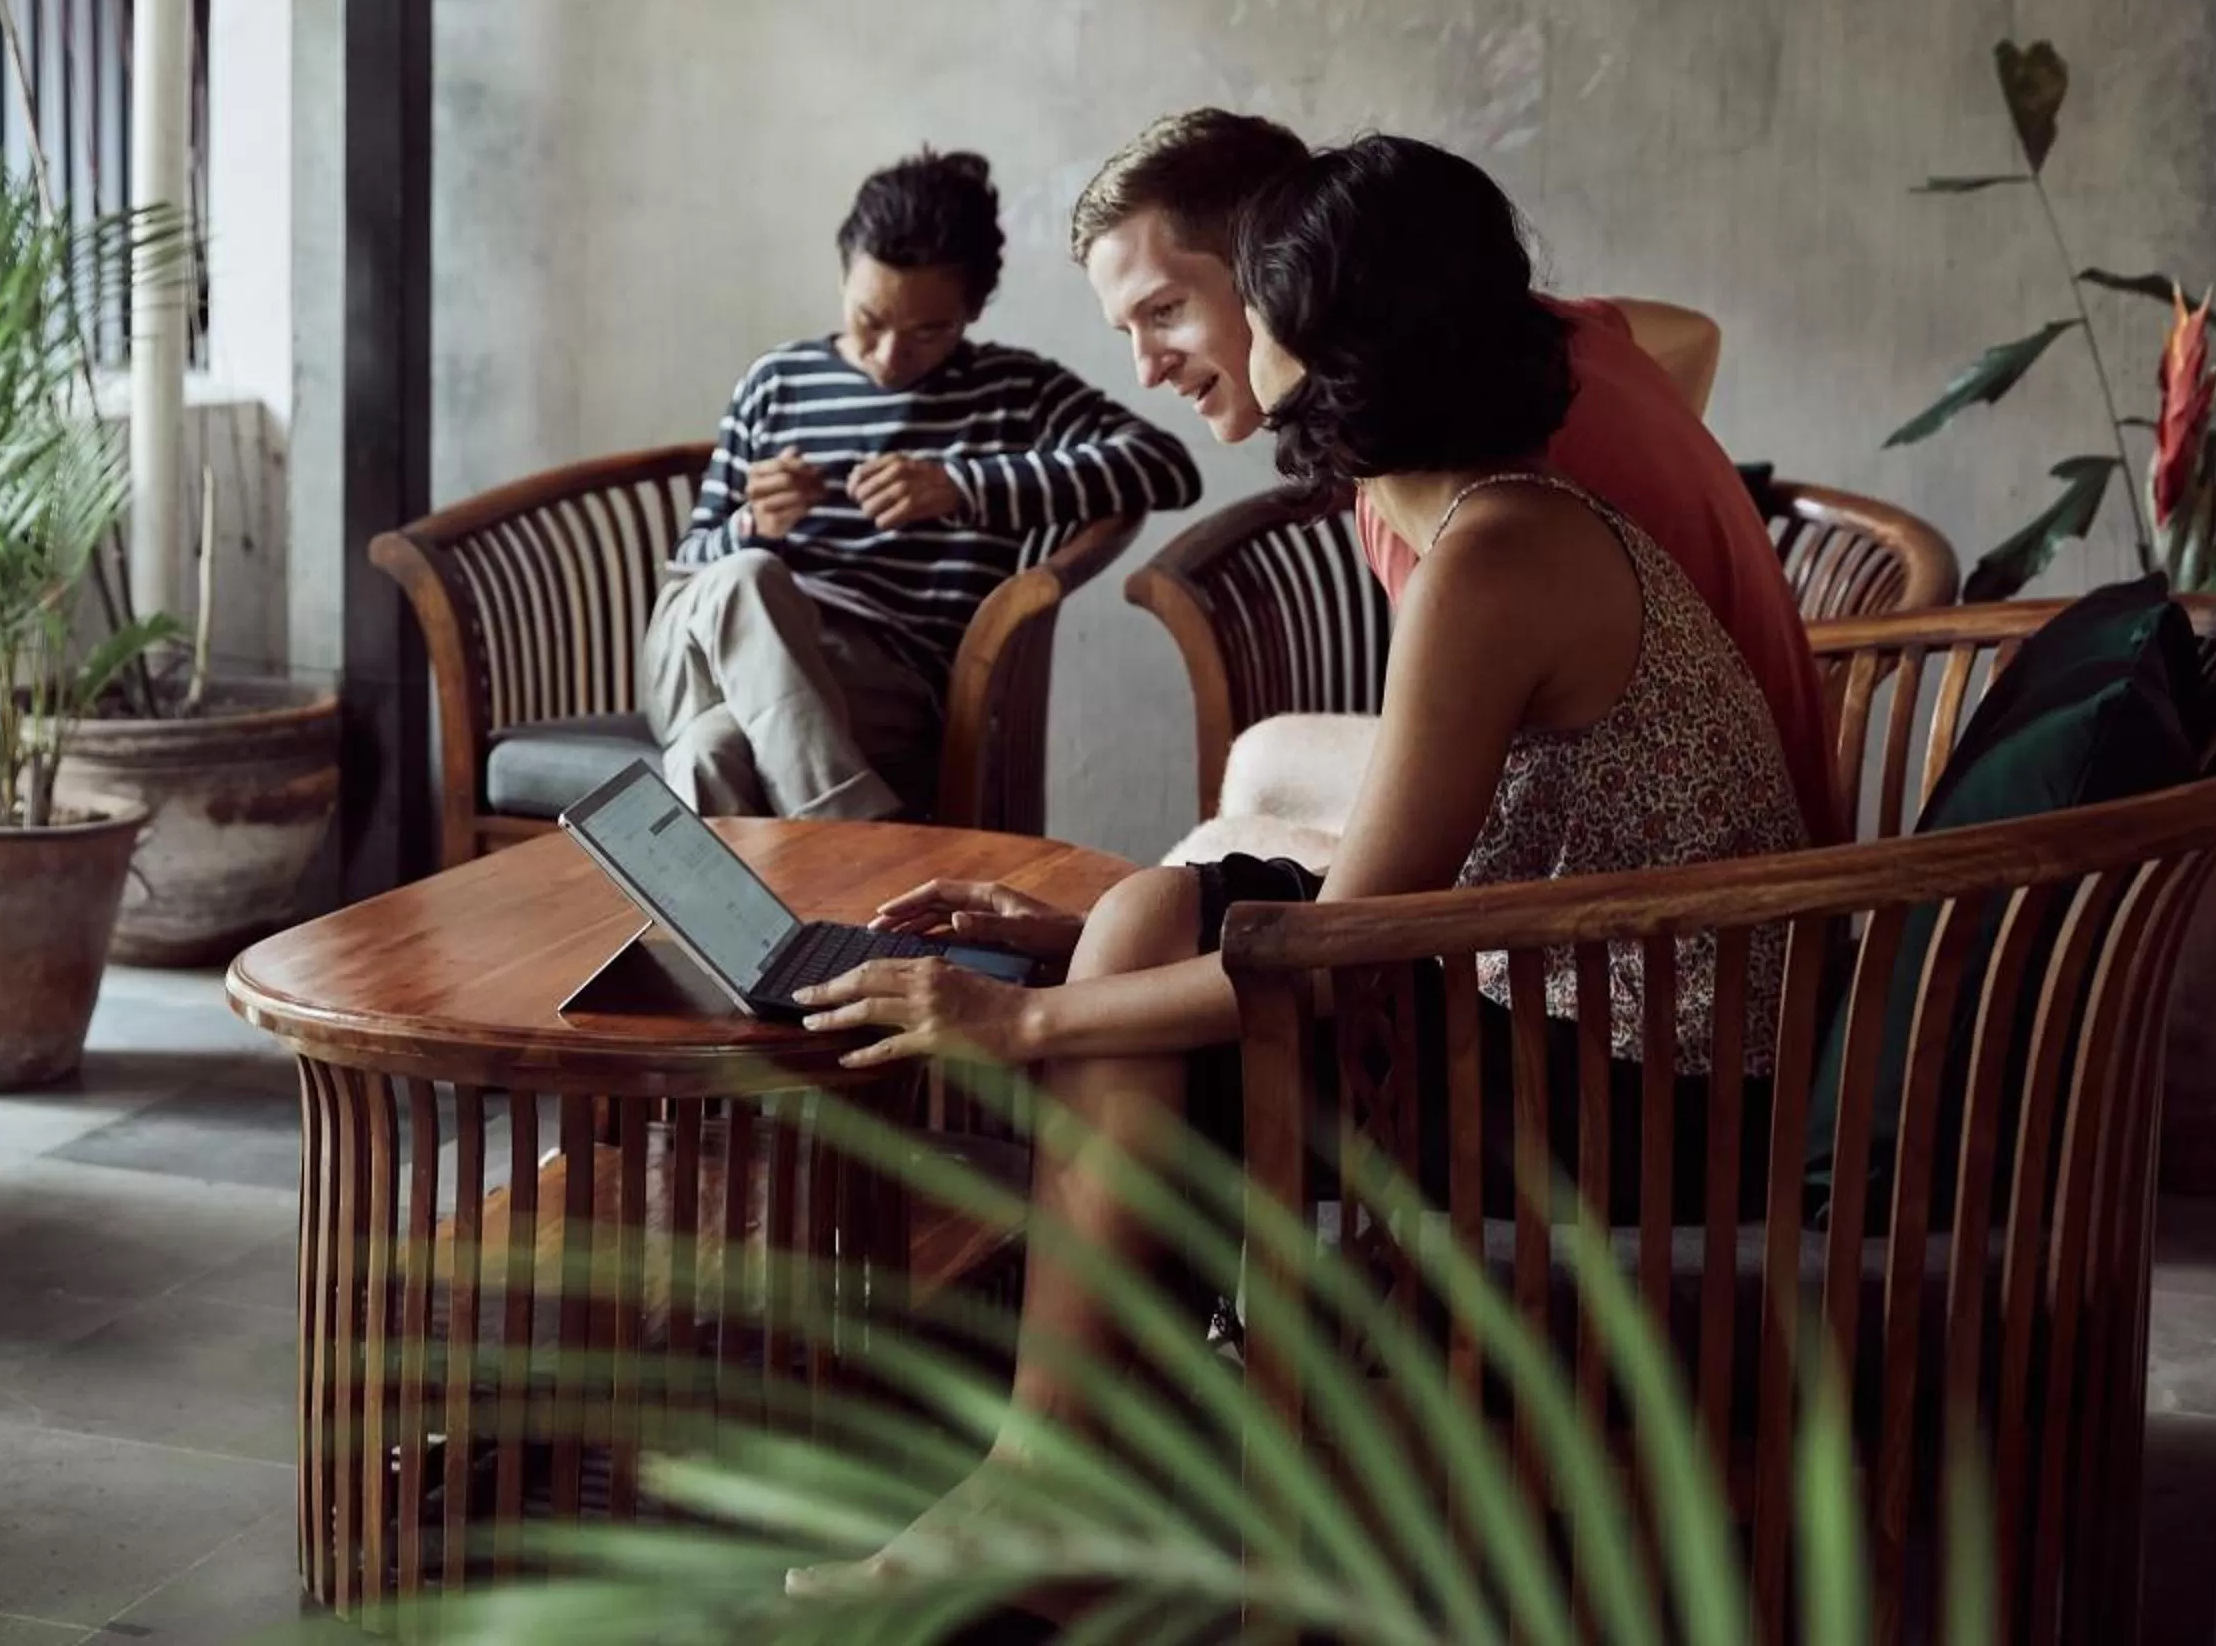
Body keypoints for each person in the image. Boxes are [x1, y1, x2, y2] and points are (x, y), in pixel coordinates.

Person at [787, 136, 1809, 1596]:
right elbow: (1407, 872)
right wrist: (1086, 932)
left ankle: (1050, 1469)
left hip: (1655, 1090)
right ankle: (1092, 1443)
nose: (1211, 340)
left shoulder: (1493, 554)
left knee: (1141, 977)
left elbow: (1344, 944)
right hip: (1590, 987)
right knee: (1145, 914)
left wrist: (1024, 1019)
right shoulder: (1486, 515)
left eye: (1243, 301)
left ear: (1337, 332)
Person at [1065, 108, 1839, 863]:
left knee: (1197, 872)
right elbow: (1691, 333)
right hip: (1759, 800)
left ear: (1278, 260)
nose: (1146, 365)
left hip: (1715, 884)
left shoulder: (1451, 483)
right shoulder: (1529, 343)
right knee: (1267, 761)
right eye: (1126, 329)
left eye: (1165, 310)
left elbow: (1380, 911)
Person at [645, 148, 1202, 821]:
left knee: (711, 753)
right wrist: (747, 526)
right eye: (869, 321)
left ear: (973, 310)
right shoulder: (776, 382)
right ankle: (857, 840)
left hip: (880, 678)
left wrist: (962, 487)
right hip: (700, 655)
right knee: (746, 576)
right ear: (843, 274)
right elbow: (691, 561)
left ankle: (754, 927)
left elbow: (1165, 465)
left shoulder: (1014, 392)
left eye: (927, 331)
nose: (889, 356)